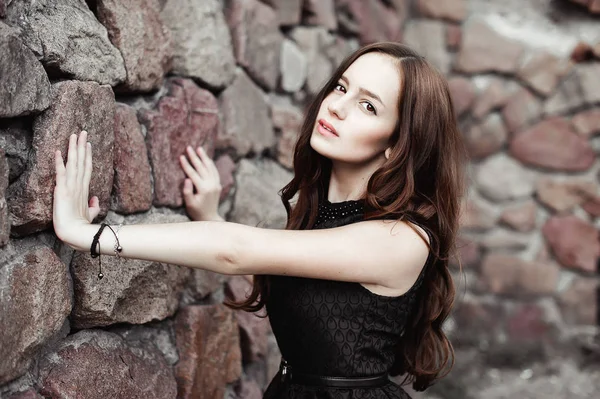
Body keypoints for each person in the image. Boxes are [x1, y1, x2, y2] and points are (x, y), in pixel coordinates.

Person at [53, 42, 467, 398]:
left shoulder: (401, 239)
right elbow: (294, 286)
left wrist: (88, 235)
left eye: (367, 105)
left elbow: (238, 252)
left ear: (397, 145)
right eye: (341, 86)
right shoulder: (322, 214)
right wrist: (210, 217)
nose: (336, 106)